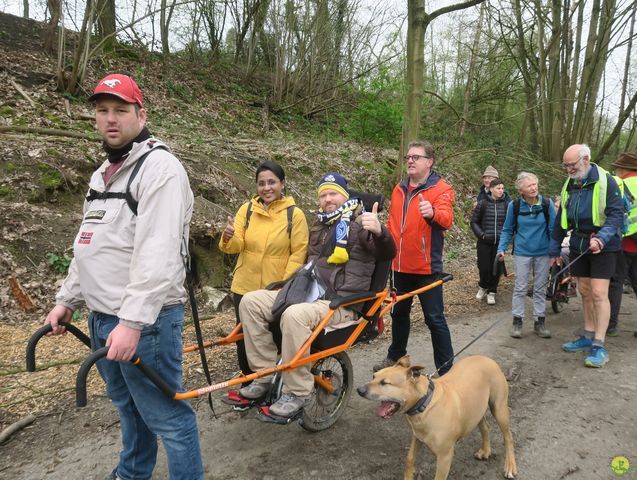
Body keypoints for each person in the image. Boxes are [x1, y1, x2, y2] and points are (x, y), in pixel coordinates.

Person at [44, 74, 203, 480]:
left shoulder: (160, 169)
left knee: (169, 417)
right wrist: (67, 300)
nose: (110, 119)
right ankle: (133, 474)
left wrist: (132, 322)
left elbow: (159, 254)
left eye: (120, 110)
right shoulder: (103, 175)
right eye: (102, 111)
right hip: (102, 319)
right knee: (129, 409)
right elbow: (90, 243)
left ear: (140, 113)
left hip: (144, 324)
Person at [237, 173, 396, 417]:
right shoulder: (321, 224)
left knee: (294, 315)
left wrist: (380, 231)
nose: (328, 199)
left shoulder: (360, 223)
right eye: (323, 195)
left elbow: (386, 251)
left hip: (341, 301)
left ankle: (297, 391)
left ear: (345, 196)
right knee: (250, 302)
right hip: (311, 292)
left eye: (333, 193)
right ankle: (265, 374)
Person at [219, 160, 308, 379]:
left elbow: (298, 253)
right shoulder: (247, 210)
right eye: (261, 183)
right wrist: (228, 237)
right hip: (244, 286)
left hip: (275, 290)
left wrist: (285, 286)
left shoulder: (294, 215)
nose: (266, 188)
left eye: (272, 182)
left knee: (277, 337)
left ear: (282, 184)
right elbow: (236, 245)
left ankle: (280, 384)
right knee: (245, 338)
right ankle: (250, 383)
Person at [373, 141, 455, 375]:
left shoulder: (442, 189)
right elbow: (392, 223)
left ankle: (446, 369)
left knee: (434, 319)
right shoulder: (399, 189)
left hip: (426, 269)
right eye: (408, 157)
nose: (409, 160)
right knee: (398, 314)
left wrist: (432, 214)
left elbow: (446, 219)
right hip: (398, 265)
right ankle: (396, 356)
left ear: (429, 162)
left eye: (416, 157)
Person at [549, 144, 624, 368]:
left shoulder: (606, 181)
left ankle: (599, 345)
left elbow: (616, 214)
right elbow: (561, 217)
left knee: (599, 293)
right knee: (583, 291)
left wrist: (602, 237)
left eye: (572, 165)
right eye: (566, 166)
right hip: (578, 243)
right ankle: (588, 334)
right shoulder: (569, 183)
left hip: (604, 245)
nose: (569, 169)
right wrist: (554, 249)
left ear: (586, 159)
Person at [497, 172, 556, 339]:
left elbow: (553, 229)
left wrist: (555, 252)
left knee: (539, 288)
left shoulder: (547, 204)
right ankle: (517, 322)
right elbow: (508, 229)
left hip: (543, 253)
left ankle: (540, 322)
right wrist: (501, 249)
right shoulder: (514, 206)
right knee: (520, 288)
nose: (534, 188)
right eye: (529, 185)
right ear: (520, 189)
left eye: (535, 184)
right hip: (522, 252)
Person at [606, 152, 637, 337]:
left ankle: (611, 324)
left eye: (617, 167)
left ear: (623, 169)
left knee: (616, 282)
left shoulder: (620, 184)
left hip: (624, 241)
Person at [471, 178, 509, 305]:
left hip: (499, 243)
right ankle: (483, 286)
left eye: (502, 188)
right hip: (484, 241)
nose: (501, 191)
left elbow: (511, 224)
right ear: (491, 189)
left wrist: (507, 239)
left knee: (496, 268)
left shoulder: (507, 205)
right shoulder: (482, 203)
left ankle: (492, 291)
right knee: (483, 267)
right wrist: (481, 235)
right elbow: (474, 222)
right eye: (498, 188)